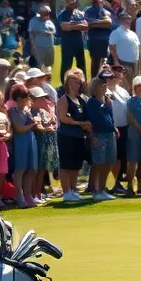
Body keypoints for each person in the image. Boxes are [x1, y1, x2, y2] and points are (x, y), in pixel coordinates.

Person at [55, 70, 91, 203]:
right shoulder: (64, 99)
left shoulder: (81, 99)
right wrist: (80, 123)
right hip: (66, 135)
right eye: (74, 82)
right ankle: (66, 192)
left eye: (78, 82)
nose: (77, 84)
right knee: (66, 165)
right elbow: (63, 118)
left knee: (76, 165)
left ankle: (73, 189)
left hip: (78, 136)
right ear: (68, 83)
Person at [85, 75, 119, 201]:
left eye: (105, 85)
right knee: (99, 163)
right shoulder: (92, 102)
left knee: (107, 163)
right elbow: (92, 120)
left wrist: (114, 127)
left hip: (109, 134)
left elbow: (109, 117)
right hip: (99, 134)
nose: (105, 87)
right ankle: (96, 191)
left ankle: (102, 189)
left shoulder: (106, 101)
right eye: (102, 85)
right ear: (95, 87)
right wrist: (93, 137)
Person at [8, 85, 39, 207]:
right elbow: (19, 129)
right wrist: (33, 124)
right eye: (26, 97)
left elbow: (34, 124)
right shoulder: (13, 112)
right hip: (20, 141)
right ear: (19, 98)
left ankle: (28, 196)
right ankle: (19, 197)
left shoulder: (26, 111)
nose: (28, 99)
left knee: (31, 169)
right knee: (20, 169)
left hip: (30, 139)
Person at [30, 85, 59, 201]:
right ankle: (34, 194)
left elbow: (50, 123)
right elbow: (38, 127)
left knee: (42, 170)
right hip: (38, 143)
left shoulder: (42, 111)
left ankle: (38, 194)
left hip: (45, 143)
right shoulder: (33, 112)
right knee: (37, 170)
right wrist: (48, 128)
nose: (44, 100)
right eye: (40, 98)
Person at [56, 0, 88, 78]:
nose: (72, 5)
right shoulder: (62, 14)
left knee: (81, 63)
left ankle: (83, 82)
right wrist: (78, 25)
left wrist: (71, 26)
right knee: (66, 64)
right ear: (66, 3)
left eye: (73, 3)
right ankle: (64, 83)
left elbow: (85, 26)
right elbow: (64, 27)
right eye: (70, 3)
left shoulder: (80, 13)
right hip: (67, 42)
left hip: (78, 41)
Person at [85, 0, 114, 75]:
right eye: (95, 2)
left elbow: (108, 23)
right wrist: (102, 23)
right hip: (94, 42)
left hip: (106, 42)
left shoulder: (106, 12)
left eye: (99, 2)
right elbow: (87, 24)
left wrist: (94, 23)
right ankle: (94, 84)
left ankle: (103, 82)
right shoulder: (88, 11)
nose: (97, 4)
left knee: (105, 65)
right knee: (95, 65)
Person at [109, 10, 141, 79]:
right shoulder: (116, 32)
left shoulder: (133, 33)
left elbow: (137, 48)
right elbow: (112, 47)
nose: (128, 21)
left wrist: (138, 64)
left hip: (134, 63)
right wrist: (116, 61)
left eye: (130, 19)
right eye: (126, 19)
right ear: (120, 21)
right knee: (124, 82)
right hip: (122, 62)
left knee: (132, 82)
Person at [29, 4, 57, 70]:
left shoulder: (49, 21)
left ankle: (48, 79)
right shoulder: (34, 21)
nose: (48, 15)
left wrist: (48, 32)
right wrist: (33, 46)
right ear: (41, 14)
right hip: (39, 47)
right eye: (46, 14)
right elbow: (31, 34)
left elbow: (54, 31)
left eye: (48, 14)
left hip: (49, 47)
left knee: (49, 65)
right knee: (39, 66)